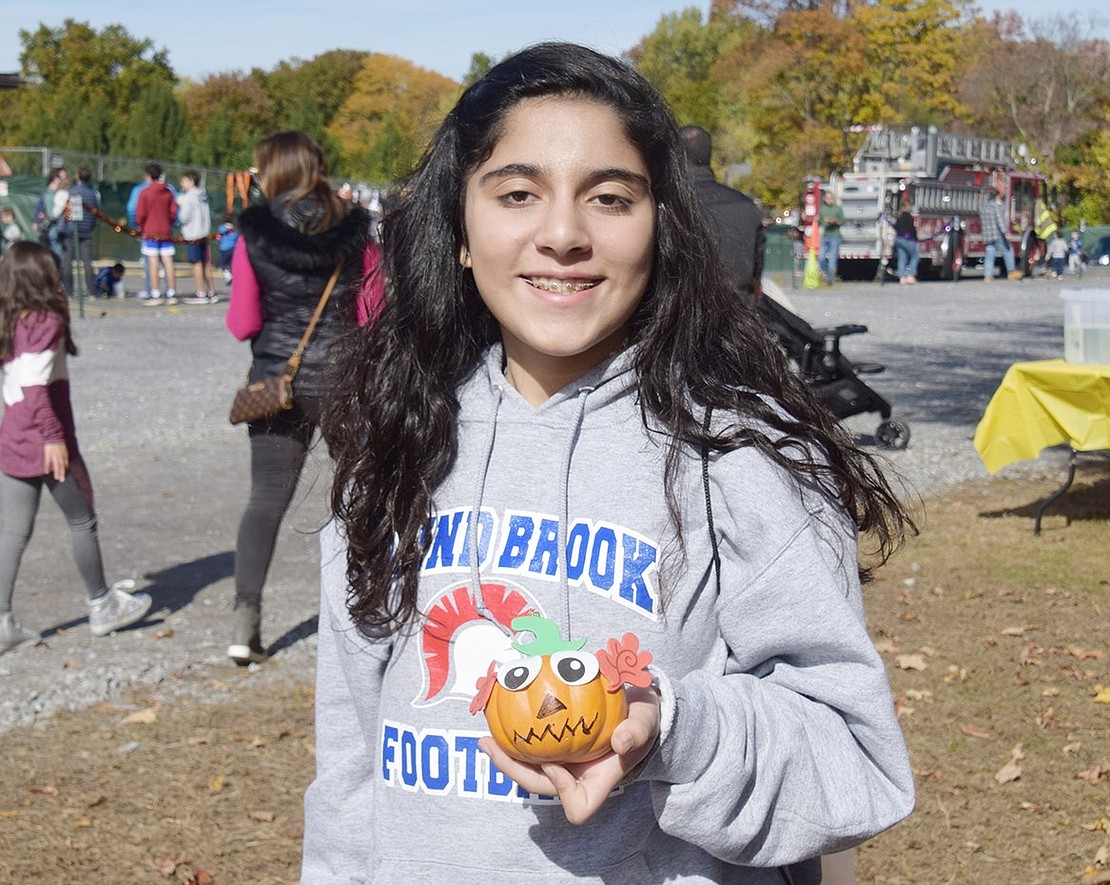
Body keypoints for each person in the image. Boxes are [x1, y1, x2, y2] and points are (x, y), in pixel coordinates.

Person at [307, 43, 915, 883]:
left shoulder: (740, 457)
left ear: (661, 225)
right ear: (458, 229)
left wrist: (670, 723)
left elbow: (856, 763)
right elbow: (349, 774)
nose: (562, 234)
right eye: (518, 193)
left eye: (610, 197)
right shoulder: (396, 449)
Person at [224, 130, 378, 666]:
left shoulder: (253, 235)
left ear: (271, 171)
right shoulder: (358, 233)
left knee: (265, 500)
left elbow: (241, 321)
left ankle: (244, 628)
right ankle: (370, 614)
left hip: (276, 383)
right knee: (362, 498)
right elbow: (373, 315)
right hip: (344, 383)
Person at [0, 242, 153, 655]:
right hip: (46, 441)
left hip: (12, 435)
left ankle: (1, 622)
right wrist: (53, 437)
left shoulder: (8, 319)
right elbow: (35, 390)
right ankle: (102, 605)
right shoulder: (44, 320)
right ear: (40, 278)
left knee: (13, 530)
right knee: (81, 519)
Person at [678, 125, 764, 298]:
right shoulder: (747, 206)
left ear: (677, 157)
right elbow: (758, 268)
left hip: (688, 312)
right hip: (741, 310)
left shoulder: (674, 204)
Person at [135, 163, 178, 304]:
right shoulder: (168, 192)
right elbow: (173, 213)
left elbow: (140, 214)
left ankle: (155, 293)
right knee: (168, 261)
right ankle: (171, 292)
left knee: (153, 262)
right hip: (165, 230)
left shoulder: (145, 193)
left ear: (148, 176)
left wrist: (141, 227)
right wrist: (168, 224)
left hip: (150, 231)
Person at [58, 167, 101, 300]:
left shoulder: (70, 192)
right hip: (87, 229)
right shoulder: (93, 194)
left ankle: (69, 291)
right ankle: (91, 292)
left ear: (77, 177)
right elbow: (96, 213)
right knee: (87, 261)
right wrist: (90, 226)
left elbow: (64, 211)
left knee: (67, 261)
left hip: (71, 229)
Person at [176, 170, 217, 304]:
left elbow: (183, 217)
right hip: (204, 233)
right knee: (205, 263)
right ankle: (211, 292)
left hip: (193, 234)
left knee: (196, 264)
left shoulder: (188, 197)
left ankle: (201, 293)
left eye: (184, 180)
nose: (182, 183)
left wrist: (180, 207)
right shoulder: (203, 195)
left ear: (191, 181)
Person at [980, 187, 1022, 281]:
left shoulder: (983, 207)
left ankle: (987, 276)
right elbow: (1000, 221)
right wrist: (1006, 233)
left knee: (990, 254)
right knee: (1008, 250)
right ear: (996, 196)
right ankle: (1011, 272)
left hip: (987, 236)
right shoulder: (995, 206)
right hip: (996, 235)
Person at [33, 167, 68, 261]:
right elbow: (50, 213)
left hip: (54, 226)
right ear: (55, 179)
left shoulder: (56, 193)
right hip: (53, 226)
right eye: (61, 177)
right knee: (55, 247)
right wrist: (37, 219)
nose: (64, 180)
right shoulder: (50, 193)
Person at [818, 188, 843, 284]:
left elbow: (842, 221)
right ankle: (828, 273)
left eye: (831, 198)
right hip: (825, 236)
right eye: (828, 198)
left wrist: (835, 222)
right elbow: (820, 221)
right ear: (824, 199)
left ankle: (830, 279)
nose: (829, 200)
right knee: (821, 258)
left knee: (832, 258)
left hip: (835, 236)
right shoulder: (822, 209)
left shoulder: (837, 209)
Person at [893, 197, 919, 285]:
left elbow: (895, 227)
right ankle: (910, 275)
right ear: (906, 207)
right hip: (908, 239)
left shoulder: (899, 217)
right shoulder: (909, 217)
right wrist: (915, 238)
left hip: (898, 239)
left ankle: (901, 277)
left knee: (902, 258)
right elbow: (912, 229)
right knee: (915, 256)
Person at [216, 213, 239, 283]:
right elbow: (237, 237)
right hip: (233, 248)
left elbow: (219, 238)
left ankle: (228, 277)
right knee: (231, 263)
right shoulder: (235, 229)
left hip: (224, 248)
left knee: (223, 265)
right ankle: (234, 276)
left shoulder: (221, 228)